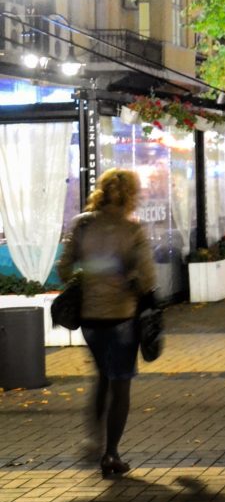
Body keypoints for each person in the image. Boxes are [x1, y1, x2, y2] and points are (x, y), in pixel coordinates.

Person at [57, 168, 157, 478]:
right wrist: (127, 279)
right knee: (121, 382)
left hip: (90, 317)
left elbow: (64, 269)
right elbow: (148, 278)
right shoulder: (132, 230)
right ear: (130, 195)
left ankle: (93, 438)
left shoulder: (82, 225)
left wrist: (89, 276)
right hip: (121, 316)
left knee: (101, 376)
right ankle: (111, 453)